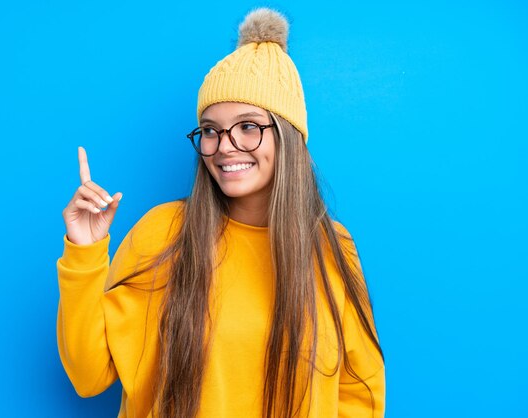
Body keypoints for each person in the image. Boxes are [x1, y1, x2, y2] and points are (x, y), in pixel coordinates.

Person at [57, 7, 385, 418]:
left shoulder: (332, 247)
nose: (225, 145)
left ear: (288, 137)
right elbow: (89, 377)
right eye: (210, 130)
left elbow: (360, 394)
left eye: (248, 126)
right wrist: (84, 252)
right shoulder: (163, 233)